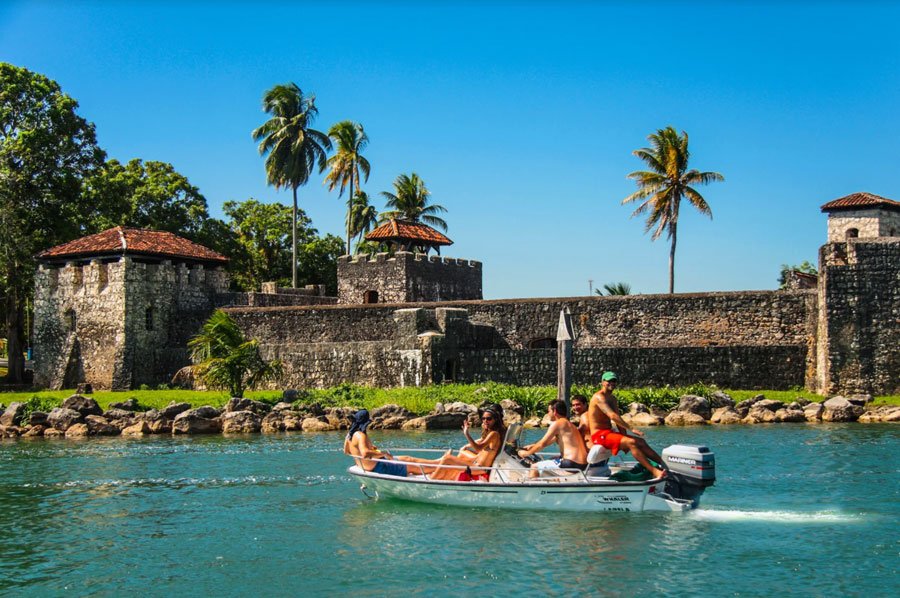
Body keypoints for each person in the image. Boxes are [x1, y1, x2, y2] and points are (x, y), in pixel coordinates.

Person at [588, 371, 667, 479]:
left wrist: (624, 435)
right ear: (602, 382)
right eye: (609, 381)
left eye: (614, 381)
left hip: (608, 433)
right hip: (599, 435)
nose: (611, 383)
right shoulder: (599, 397)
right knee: (631, 442)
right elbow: (612, 416)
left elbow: (618, 418)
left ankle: (665, 465)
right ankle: (655, 471)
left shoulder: (612, 398)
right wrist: (631, 429)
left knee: (641, 442)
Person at [428, 403, 506, 481]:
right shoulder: (492, 432)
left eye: (488, 419)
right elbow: (481, 441)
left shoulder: (494, 434)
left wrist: (466, 433)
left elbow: (478, 448)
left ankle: (432, 480)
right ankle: (440, 476)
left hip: (480, 468)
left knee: (447, 459)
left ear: (495, 420)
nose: (485, 421)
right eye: (483, 418)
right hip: (476, 464)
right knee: (454, 457)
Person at [516, 400, 588, 478]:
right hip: (581, 463)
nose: (548, 414)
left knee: (534, 467)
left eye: (549, 411)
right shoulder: (569, 424)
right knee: (550, 460)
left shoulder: (558, 423)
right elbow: (549, 441)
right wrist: (532, 446)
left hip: (572, 462)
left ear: (555, 411)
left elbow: (542, 444)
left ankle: (531, 485)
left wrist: (527, 453)